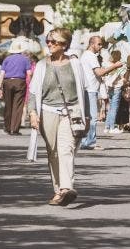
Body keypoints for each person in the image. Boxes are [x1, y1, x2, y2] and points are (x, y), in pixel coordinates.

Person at [28, 28, 90, 206]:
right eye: (48, 41)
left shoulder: (75, 64)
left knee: (65, 149)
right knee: (53, 152)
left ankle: (66, 188)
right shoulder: (41, 65)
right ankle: (58, 190)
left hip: (70, 112)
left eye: (53, 42)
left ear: (64, 45)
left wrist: (88, 116)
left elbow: (84, 91)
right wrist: (33, 113)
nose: (49, 44)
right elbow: (32, 93)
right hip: (47, 112)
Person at [79, 35, 123, 150]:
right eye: (98, 44)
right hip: (90, 90)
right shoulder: (91, 56)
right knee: (92, 117)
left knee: (88, 117)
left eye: (101, 44)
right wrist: (115, 66)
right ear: (92, 44)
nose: (100, 46)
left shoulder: (86, 55)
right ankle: (90, 142)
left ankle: (86, 142)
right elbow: (98, 72)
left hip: (89, 88)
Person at [0, 37, 32, 135]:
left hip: (7, 82)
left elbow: (2, 74)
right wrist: (30, 83)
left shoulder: (7, 59)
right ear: (20, 51)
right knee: (18, 106)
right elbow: (29, 73)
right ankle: (15, 129)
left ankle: (7, 128)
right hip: (20, 82)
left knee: (8, 105)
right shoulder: (25, 60)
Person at [103, 50, 126, 134]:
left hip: (109, 88)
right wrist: (124, 80)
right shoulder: (118, 66)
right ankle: (112, 127)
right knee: (114, 108)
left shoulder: (108, 65)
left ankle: (107, 126)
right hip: (117, 87)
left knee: (110, 108)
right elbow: (122, 78)